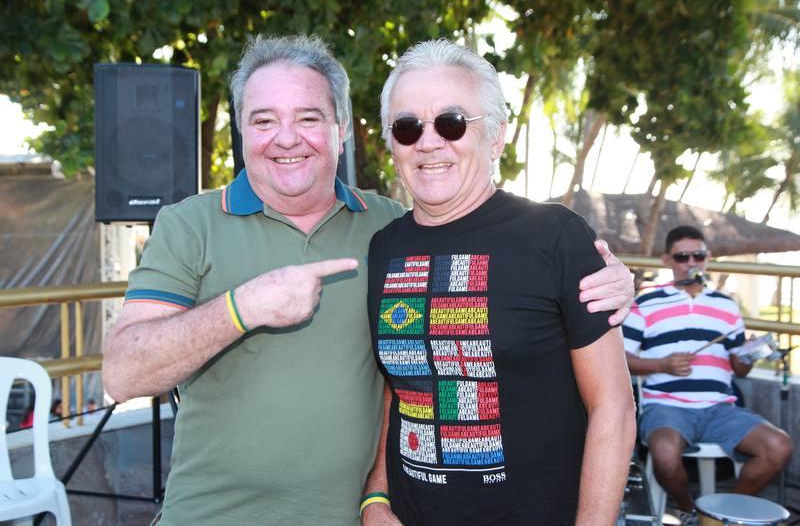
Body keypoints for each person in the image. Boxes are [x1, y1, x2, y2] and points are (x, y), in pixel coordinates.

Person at [102, 35, 633, 525]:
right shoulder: (194, 224)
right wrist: (241, 307)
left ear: (341, 130)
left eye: (308, 117)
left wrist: (612, 280)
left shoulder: (391, 229)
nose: (286, 138)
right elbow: (123, 376)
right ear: (241, 129)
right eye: (263, 121)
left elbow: (606, 403)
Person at [362, 40, 636, 526]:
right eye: (407, 127)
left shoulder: (555, 237)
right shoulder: (385, 247)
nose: (428, 142)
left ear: (495, 136)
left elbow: (613, 407)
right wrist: (376, 500)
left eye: (451, 122)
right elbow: (402, 387)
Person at [623, 225, 793, 525]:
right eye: (682, 257)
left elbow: (740, 368)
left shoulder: (726, 305)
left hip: (719, 408)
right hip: (666, 406)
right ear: (667, 260)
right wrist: (662, 365)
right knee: (664, 454)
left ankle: (719, 516)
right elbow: (621, 359)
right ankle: (689, 510)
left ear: (707, 258)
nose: (691, 263)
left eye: (698, 256)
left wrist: (747, 355)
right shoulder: (646, 303)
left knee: (778, 447)